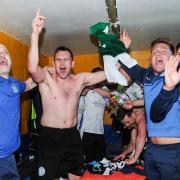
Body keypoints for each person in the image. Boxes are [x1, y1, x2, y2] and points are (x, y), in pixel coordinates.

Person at [28, 10, 107, 180]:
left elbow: (109, 75)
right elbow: (33, 68)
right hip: (50, 137)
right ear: (54, 63)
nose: (62, 63)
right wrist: (35, 34)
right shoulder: (47, 80)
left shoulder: (80, 79)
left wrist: (117, 50)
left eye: (66, 60)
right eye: (58, 60)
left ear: (72, 63)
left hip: (72, 136)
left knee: (76, 176)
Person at [118, 36, 180, 179]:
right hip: (152, 149)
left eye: (163, 51)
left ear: (173, 59)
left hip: (173, 151)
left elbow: (157, 113)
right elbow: (129, 65)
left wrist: (169, 86)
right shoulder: (147, 77)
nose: (157, 54)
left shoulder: (176, 81)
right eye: (154, 51)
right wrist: (122, 48)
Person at [0, 44, 37, 179]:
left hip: (10, 154)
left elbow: (28, 85)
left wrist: (42, 72)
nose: (2, 55)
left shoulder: (13, 84)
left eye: (5, 52)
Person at [81, 67, 111, 163]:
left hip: (100, 131)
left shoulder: (104, 89)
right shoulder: (86, 89)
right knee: (88, 160)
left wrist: (94, 87)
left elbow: (109, 95)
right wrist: (90, 86)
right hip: (87, 130)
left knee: (102, 159)